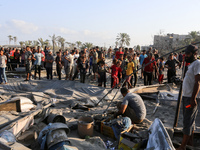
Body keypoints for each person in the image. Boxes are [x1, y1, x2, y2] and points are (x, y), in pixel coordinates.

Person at [177, 45, 200, 150]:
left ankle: (182, 147)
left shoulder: (197, 64)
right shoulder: (191, 65)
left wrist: (193, 98)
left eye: (188, 54)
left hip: (190, 99)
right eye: (185, 54)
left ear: (195, 54)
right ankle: (190, 143)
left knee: (187, 122)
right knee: (191, 121)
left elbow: (198, 82)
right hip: (186, 97)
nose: (186, 56)